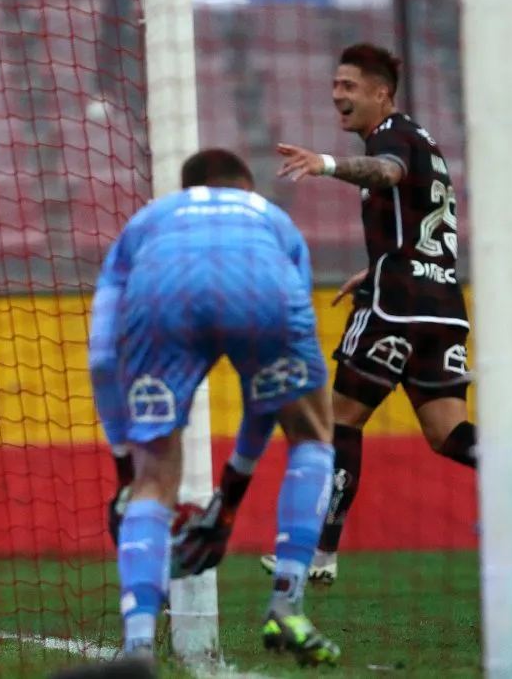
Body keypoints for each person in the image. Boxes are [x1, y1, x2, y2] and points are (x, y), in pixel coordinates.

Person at [256, 42, 512, 583]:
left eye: (349, 87)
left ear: (382, 93)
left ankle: (322, 555)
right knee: (445, 432)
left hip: (396, 305)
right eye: (335, 86)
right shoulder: (424, 139)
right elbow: (418, 216)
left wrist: (326, 165)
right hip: (442, 305)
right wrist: (380, 264)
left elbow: (386, 173)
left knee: (339, 420)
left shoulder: (393, 137)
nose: (338, 96)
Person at [90, 148, 340, 666]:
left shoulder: (148, 222)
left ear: (186, 192)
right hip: (261, 289)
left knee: (154, 476)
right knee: (313, 433)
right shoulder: (272, 220)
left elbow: (100, 356)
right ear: (246, 187)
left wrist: (122, 467)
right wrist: (229, 498)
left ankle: (137, 647)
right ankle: (287, 604)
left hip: (162, 294)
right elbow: (268, 397)